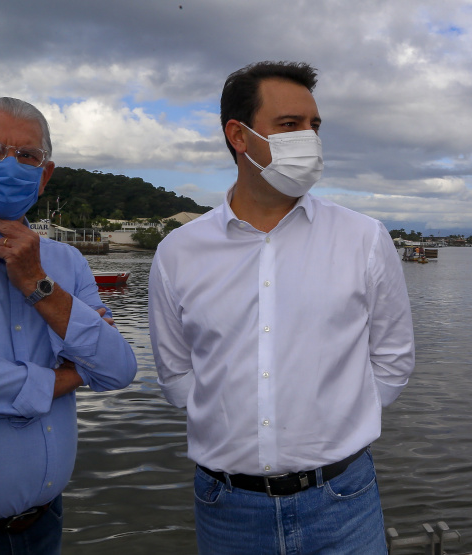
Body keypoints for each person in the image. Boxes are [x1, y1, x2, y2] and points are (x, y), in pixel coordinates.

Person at [149, 61, 415, 554]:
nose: (309, 139)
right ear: (239, 136)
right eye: (290, 126)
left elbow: (393, 358)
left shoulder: (363, 238)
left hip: (342, 500)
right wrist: (237, 428)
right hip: (227, 508)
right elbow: (177, 374)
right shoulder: (179, 252)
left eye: (314, 126)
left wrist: (335, 419)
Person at [0, 97, 138, 554]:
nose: (9, 164)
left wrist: (40, 285)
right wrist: (70, 375)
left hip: (44, 527)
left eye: (26, 155)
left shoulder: (65, 261)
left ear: (45, 175)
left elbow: (118, 368)